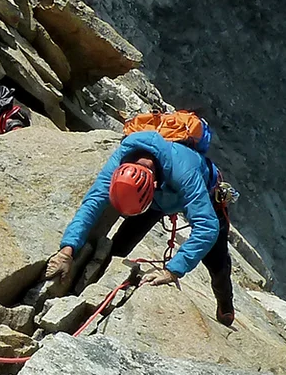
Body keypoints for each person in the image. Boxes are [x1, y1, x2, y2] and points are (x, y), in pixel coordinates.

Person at [44, 129, 236, 326]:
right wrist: (67, 250)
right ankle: (95, 284)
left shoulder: (184, 173)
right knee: (120, 246)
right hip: (156, 199)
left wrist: (172, 271)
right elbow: (93, 202)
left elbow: (207, 227)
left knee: (217, 263)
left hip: (203, 195)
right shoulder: (121, 159)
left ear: (152, 184)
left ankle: (225, 305)